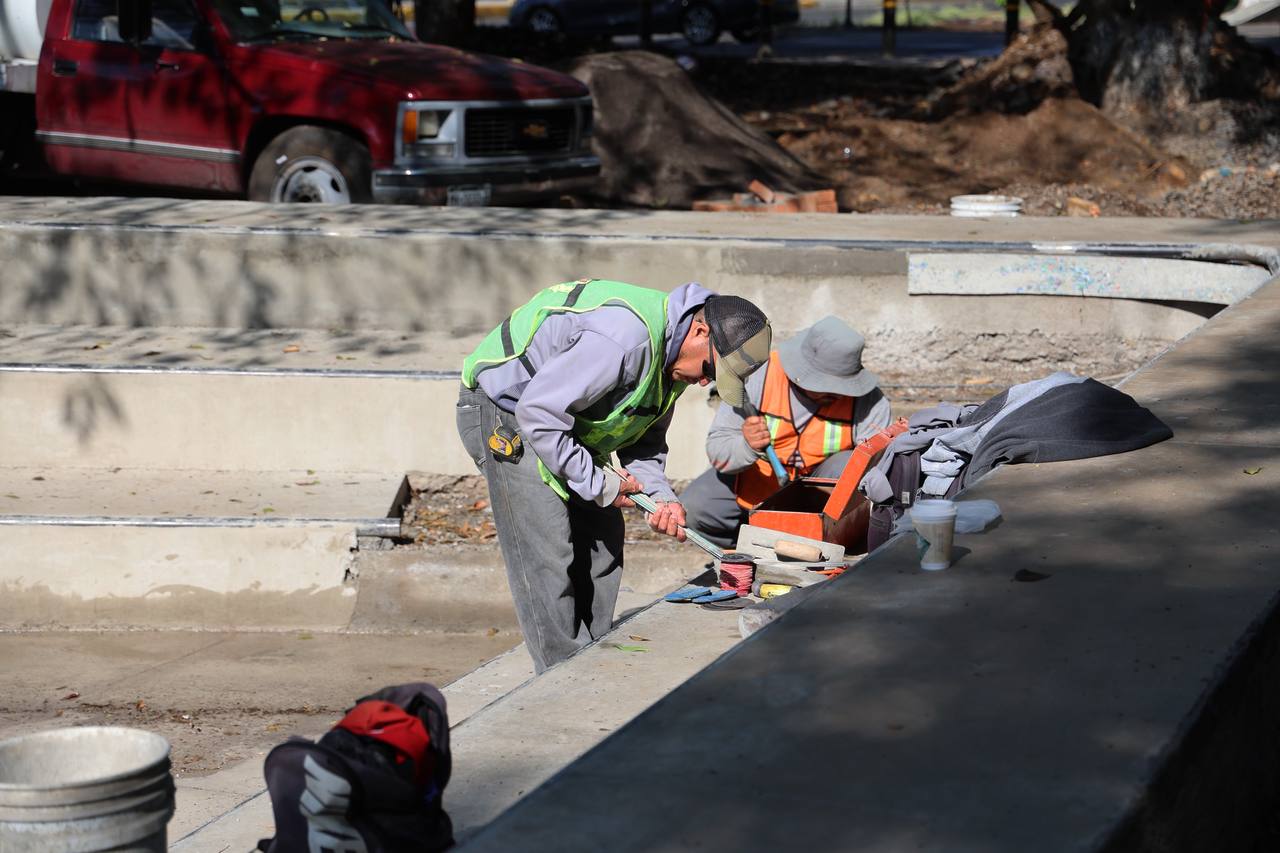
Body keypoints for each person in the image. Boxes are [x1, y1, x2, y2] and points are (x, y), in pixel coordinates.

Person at [455, 279, 771, 672]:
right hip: (508, 408)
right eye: (710, 369)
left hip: (562, 420)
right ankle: (561, 679)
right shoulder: (623, 340)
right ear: (699, 331)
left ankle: (588, 660)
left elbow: (643, 444)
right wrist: (599, 482)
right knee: (549, 552)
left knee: (603, 538)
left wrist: (661, 499)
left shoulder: (674, 362)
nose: (705, 381)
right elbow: (538, 413)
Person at [681, 315, 892, 549]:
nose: (836, 393)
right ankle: (751, 551)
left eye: (842, 385)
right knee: (694, 508)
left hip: (819, 500)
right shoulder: (758, 375)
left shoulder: (869, 402)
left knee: (853, 465)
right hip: (756, 484)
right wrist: (747, 445)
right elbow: (718, 450)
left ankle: (827, 546)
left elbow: (879, 469)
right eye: (826, 385)